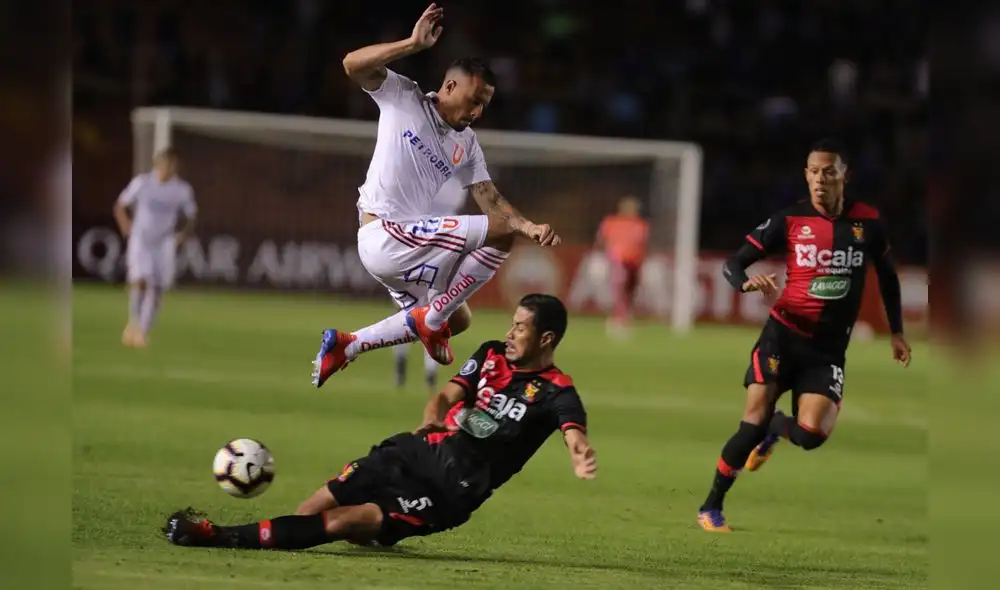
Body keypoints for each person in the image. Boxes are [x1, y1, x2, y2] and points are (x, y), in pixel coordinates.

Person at [164, 294, 597, 550]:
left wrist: (578, 453)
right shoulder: (491, 353)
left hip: (449, 491)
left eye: (520, 328)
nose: (509, 333)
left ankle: (214, 535)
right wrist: (432, 419)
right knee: (311, 512)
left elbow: (573, 432)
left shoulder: (557, 391)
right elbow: (446, 395)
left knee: (342, 523)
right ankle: (374, 533)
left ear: (546, 338)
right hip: (413, 451)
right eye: (512, 324)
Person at [312, 3, 560, 388]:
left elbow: (491, 200)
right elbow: (351, 64)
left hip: (404, 247)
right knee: (499, 236)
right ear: (450, 87)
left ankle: (348, 345)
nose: (478, 111)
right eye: (474, 100)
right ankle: (430, 320)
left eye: (484, 105)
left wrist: (530, 226)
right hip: (384, 232)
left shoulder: (466, 144)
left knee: (458, 319)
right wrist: (411, 45)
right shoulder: (404, 96)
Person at [697, 139, 912, 532]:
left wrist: (896, 332)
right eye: (813, 172)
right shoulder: (790, 219)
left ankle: (778, 426)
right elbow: (734, 262)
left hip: (827, 350)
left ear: (844, 175)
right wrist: (745, 284)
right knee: (752, 421)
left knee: (812, 435)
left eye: (828, 171)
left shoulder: (868, 223)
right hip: (782, 336)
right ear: (806, 176)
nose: (820, 179)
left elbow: (888, 277)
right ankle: (711, 507)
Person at [112, 147, 197, 348]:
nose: (169, 169)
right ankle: (134, 324)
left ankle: (143, 330)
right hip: (141, 239)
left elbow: (191, 216)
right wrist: (126, 228)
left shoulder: (182, 189)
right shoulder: (142, 183)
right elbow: (120, 205)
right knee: (140, 281)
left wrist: (183, 234)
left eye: (173, 165)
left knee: (157, 287)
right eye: (166, 164)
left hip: (163, 242)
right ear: (158, 165)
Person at [392, 178, 469, 392]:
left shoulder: (425, 177)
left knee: (407, 308)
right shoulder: (458, 183)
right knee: (435, 311)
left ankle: (404, 365)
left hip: (416, 245)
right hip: (442, 248)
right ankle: (429, 374)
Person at [593, 195, 650, 339]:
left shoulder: (640, 225)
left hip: (634, 262)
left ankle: (624, 316)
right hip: (618, 260)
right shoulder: (611, 222)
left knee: (630, 290)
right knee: (619, 289)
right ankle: (619, 320)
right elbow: (602, 239)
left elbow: (643, 244)